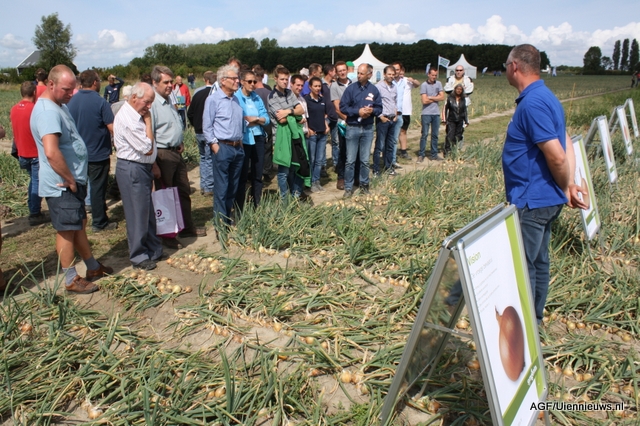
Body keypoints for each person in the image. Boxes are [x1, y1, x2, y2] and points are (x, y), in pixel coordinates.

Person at [502, 44, 587, 322]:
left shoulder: (533, 103)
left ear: (515, 66)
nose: (506, 70)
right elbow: (566, 139)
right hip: (544, 198)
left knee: (524, 266)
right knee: (539, 261)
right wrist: (569, 184)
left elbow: (557, 156)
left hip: (533, 200)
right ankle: (535, 320)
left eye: (506, 66)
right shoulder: (546, 97)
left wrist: (565, 185)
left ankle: (528, 326)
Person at [30, 64, 112, 294]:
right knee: (66, 230)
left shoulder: (59, 105)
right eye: (66, 89)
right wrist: (70, 179)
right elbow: (51, 152)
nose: (71, 94)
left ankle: (93, 267)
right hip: (62, 184)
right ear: (50, 84)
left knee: (78, 226)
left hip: (71, 181)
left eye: (72, 89)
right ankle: (70, 278)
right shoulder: (47, 113)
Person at [151, 66, 206, 250]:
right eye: (165, 82)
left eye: (171, 82)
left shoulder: (169, 100)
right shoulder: (153, 104)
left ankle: (186, 227)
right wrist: (154, 162)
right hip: (162, 153)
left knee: (183, 191)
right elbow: (149, 134)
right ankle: (167, 235)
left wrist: (179, 141)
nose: (170, 85)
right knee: (165, 196)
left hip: (176, 151)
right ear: (155, 83)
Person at [114, 82, 163, 270]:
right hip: (132, 168)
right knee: (137, 213)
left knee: (146, 210)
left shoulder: (137, 115)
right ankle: (138, 255)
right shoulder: (128, 118)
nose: (149, 107)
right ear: (134, 97)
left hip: (141, 167)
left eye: (151, 103)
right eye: (147, 102)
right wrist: (149, 122)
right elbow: (146, 147)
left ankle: (153, 249)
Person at [67, 69, 117, 232]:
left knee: (81, 186)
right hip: (97, 153)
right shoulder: (101, 102)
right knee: (97, 188)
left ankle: (80, 217)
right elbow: (112, 128)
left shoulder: (71, 101)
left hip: (77, 154)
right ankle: (99, 222)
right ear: (95, 82)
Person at [203, 65, 245, 226]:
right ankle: (220, 224)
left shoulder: (235, 99)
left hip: (237, 148)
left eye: (237, 78)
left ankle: (227, 217)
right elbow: (207, 126)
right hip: (223, 148)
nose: (237, 81)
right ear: (223, 81)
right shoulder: (213, 100)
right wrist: (215, 146)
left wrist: (240, 143)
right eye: (233, 79)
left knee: (233, 187)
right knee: (222, 188)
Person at [339, 63, 382, 198]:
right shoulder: (351, 89)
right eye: (358, 73)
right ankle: (348, 188)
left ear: (369, 74)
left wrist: (371, 111)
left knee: (365, 160)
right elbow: (343, 107)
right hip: (353, 128)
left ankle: (364, 185)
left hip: (368, 129)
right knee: (350, 160)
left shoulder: (374, 90)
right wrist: (358, 112)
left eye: (362, 73)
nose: (358, 75)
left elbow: (379, 108)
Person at [11, 82, 49, 226]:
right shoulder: (35, 109)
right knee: (36, 182)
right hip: (34, 153)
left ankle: (33, 208)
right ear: (34, 93)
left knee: (33, 181)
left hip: (22, 153)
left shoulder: (14, 109)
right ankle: (34, 213)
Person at [268, 66, 307, 200]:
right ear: (275, 79)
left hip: (294, 135)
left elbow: (301, 110)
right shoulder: (272, 97)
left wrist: (288, 111)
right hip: (281, 138)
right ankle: (284, 200)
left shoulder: (290, 93)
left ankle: (294, 196)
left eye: (286, 79)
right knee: (283, 171)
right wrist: (295, 116)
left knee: (294, 167)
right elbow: (282, 119)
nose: (285, 82)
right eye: (282, 79)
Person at [234, 70, 270, 209]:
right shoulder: (236, 98)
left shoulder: (256, 97)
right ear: (242, 82)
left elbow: (266, 119)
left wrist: (255, 119)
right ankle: (240, 205)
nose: (252, 84)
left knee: (257, 172)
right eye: (249, 81)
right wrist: (255, 120)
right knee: (242, 174)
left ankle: (257, 203)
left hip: (258, 136)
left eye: (254, 81)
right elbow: (239, 119)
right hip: (244, 139)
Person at [187, 71, 216, 196]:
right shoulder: (214, 95)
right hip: (210, 132)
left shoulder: (198, 94)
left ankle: (204, 185)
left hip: (199, 131)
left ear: (205, 80)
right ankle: (209, 187)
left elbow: (190, 113)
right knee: (209, 159)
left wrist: (196, 124)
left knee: (203, 158)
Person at [304, 76, 330, 192]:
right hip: (312, 134)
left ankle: (316, 181)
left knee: (319, 160)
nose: (318, 88)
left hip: (322, 133)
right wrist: (308, 129)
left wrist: (326, 125)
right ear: (310, 87)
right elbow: (304, 117)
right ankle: (309, 182)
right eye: (315, 86)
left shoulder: (322, 100)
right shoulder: (306, 100)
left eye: (319, 86)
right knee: (312, 159)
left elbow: (324, 115)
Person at [372, 66, 398, 177]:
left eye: (393, 74)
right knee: (379, 145)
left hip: (392, 119)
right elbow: (373, 103)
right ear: (384, 74)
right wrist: (380, 116)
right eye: (389, 74)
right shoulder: (378, 87)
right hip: (383, 120)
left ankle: (389, 167)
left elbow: (395, 101)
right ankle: (376, 170)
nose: (391, 76)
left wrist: (396, 114)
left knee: (390, 145)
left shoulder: (394, 87)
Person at [392, 62, 420, 161]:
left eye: (398, 69)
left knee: (403, 131)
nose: (396, 71)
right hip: (394, 111)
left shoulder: (406, 80)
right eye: (394, 69)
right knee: (393, 133)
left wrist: (413, 80)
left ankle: (403, 151)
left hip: (405, 110)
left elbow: (417, 85)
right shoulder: (391, 81)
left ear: (401, 70)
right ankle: (391, 153)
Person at [330, 61, 352, 190]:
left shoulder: (354, 83)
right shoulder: (334, 86)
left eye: (344, 70)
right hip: (343, 123)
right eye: (340, 71)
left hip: (355, 122)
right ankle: (341, 177)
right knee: (343, 150)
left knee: (355, 151)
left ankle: (354, 176)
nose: (342, 72)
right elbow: (337, 108)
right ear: (336, 73)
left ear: (347, 70)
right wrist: (348, 119)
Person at [418, 68, 445, 162]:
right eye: (432, 75)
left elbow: (442, 97)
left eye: (435, 75)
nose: (434, 77)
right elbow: (424, 101)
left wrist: (430, 97)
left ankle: (434, 154)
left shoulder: (439, 84)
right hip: (426, 113)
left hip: (436, 113)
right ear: (428, 74)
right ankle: (421, 154)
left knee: (435, 135)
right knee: (424, 134)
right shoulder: (424, 85)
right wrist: (436, 98)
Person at [441, 84, 469, 156]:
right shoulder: (449, 98)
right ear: (455, 89)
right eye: (457, 89)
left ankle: (454, 149)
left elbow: (465, 110)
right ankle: (447, 151)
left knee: (458, 136)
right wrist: (444, 119)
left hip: (460, 120)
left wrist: (466, 121)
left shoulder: (463, 99)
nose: (459, 91)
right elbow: (445, 109)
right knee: (450, 136)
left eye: (460, 89)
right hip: (451, 120)